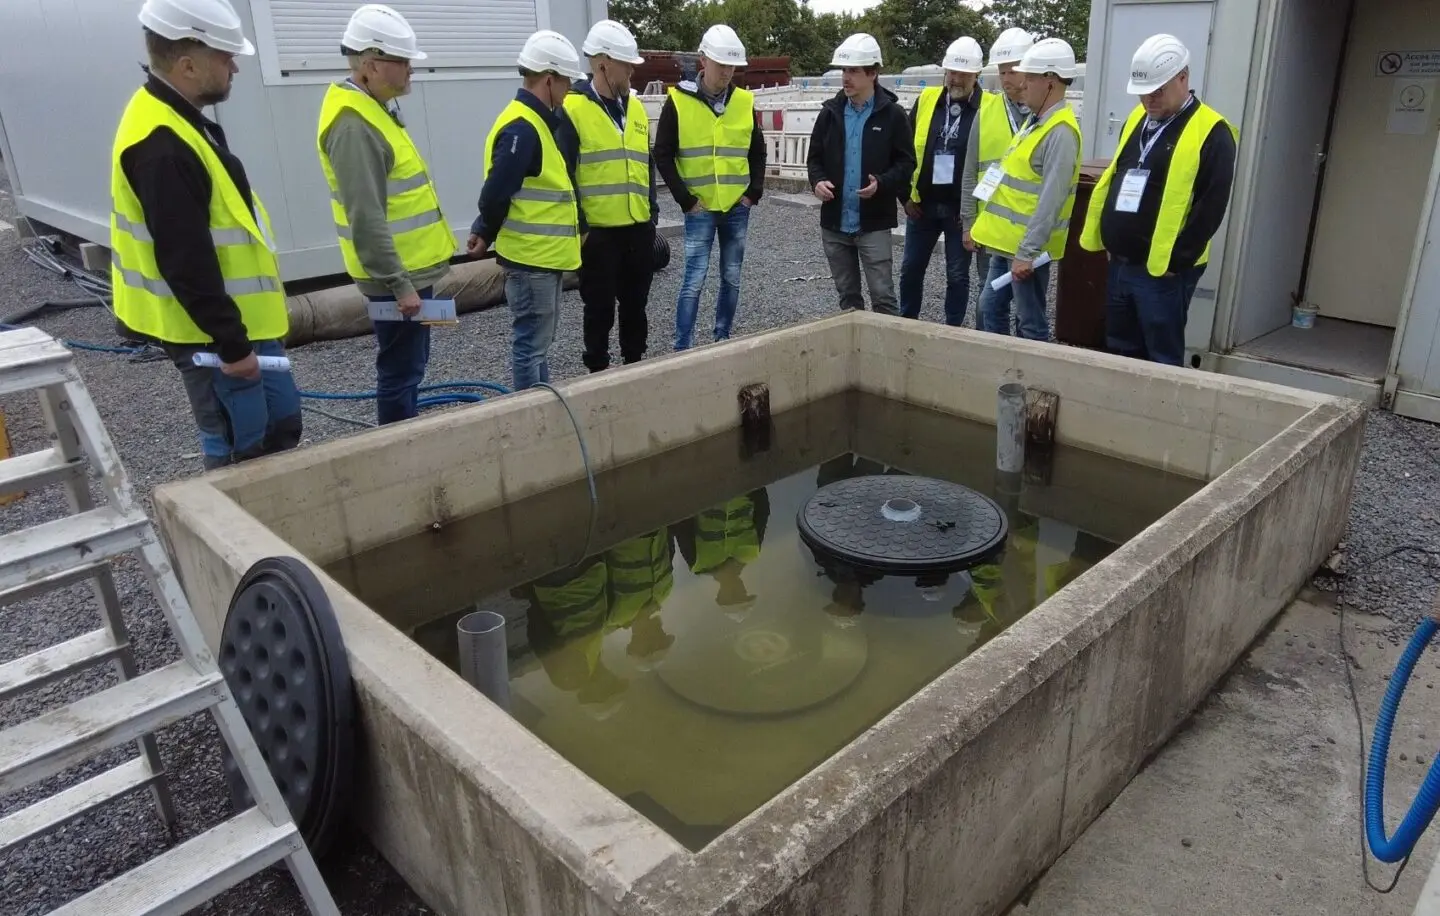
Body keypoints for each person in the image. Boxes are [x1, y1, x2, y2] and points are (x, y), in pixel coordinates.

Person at [111, 0, 301, 471]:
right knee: (241, 446)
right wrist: (231, 345)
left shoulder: (186, 121)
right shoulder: (161, 145)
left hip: (243, 328)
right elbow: (184, 257)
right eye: (226, 56)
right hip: (212, 339)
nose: (235, 66)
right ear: (188, 64)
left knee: (280, 430)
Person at [316, 4, 455, 425]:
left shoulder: (373, 110)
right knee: (400, 371)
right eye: (403, 61)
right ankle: (399, 449)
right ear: (372, 66)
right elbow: (367, 217)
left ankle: (405, 437)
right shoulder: (354, 125)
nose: (411, 70)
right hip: (398, 279)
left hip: (409, 274)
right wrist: (400, 286)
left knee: (410, 366)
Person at [1079, 34, 1238, 366]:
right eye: (1142, 92)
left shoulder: (1212, 132)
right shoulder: (1137, 121)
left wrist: (1176, 262)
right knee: (1120, 347)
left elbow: (1211, 207)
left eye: (1157, 90)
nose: (1148, 99)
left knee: (1161, 355)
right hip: (1121, 262)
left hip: (1163, 270)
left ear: (1183, 78)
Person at [468, 31, 586, 391]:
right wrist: (485, 226)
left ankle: (539, 408)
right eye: (566, 82)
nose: (568, 91)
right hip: (531, 261)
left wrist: (483, 228)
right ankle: (528, 420)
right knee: (531, 346)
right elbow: (495, 193)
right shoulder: (523, 128)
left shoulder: (536, 124)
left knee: (538, 345)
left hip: (542, 259)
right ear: (549, 80)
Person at [653, 24, 767, 350]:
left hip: (736, 206)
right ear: (703, 60)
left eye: (732, 66)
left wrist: (753, 193)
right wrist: (685, 200)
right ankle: (682, 347)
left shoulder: (744, 102)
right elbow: (662, 154)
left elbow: (757, 150)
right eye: (721, 65)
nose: (727, 73)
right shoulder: (679, 101)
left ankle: (722, 338)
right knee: (693, 279)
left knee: (731, 278)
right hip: (699, 207)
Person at [968, 38, 1083, 342]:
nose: (1022, 84)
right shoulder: (1036, 122)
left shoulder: (1060, 133)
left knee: (1030, 322)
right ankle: (1002, 370)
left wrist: (1027, 253)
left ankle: (1032, 383)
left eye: (1030, 78)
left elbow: (1051, 201)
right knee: (989, 308)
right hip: (1005, 245)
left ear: (1050, 81)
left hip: (1025, 251)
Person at [563, 20, 659, 373]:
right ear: (603, 63)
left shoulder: (634, 107)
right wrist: (582, 227)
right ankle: (598, 373)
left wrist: (652, 212)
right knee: (599, 309)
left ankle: (634, 366)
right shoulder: (573, 110)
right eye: (626, 63)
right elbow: (565, 175)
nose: (632, 70)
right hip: (599, 234)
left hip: (637, 227)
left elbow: (644, 164)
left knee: (636, 306)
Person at [807, 33, 915, 316]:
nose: (846, 77)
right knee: (848, 299)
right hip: (834, 223)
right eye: (844, 70)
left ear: (873, 74)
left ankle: (886, 357)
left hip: (873, 223)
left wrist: (882, 183)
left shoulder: (893, 115)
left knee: (883, 297)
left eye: (853, 71)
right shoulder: (830, 113)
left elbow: (906, 164)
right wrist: (817, 181)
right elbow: (814, 158)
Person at [899, 36, 998, 326]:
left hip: (960, 212)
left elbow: (995, 161)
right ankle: (907, 323)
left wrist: (972, 212)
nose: (954, 79)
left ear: (976, 75)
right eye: (950, 72)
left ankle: (952, 328)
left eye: (962, 73)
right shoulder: (928, 99)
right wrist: (905, 196)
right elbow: (904, 149)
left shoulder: (990, 107)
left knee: (957, 274)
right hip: (922, 206)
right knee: (911, 268)